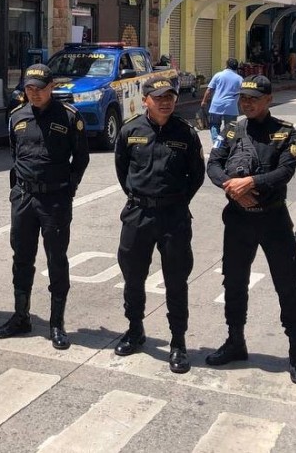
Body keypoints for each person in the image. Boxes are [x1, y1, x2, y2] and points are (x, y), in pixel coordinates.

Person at [205, 75, 296, 385]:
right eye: (243, 98)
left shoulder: (285, 132)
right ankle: (235, 341)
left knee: (287, 285)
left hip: (273, 219)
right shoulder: (232, 129)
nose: (246, 103)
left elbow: (285, 171)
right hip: (238, 219)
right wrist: (230, 186)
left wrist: (252, 182)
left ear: (269, 100)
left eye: (254, 98)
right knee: (234, 283)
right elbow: (214, 163)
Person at [0, 64, 90, 350]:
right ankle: (21, 316)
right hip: (24, 198)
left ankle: (56, 323)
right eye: (29, 89)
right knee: (21, 258)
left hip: (55, 200)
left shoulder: (70, 117)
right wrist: (16, 192)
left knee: (56, 260)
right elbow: (15, 155)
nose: (34, 94)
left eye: (40, 88)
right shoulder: (16, 116)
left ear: (51, 87)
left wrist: (68, 190)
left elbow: (81, 159)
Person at [112, 76, 205, 370]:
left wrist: (175, 200)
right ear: (145, 100)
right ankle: (135, 330)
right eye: (159, 97)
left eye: (170, 97)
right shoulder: (130, 131)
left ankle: (178, 342)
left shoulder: (186, 133)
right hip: (138, 215)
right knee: (133, 277)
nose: (165, 102)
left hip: (173, 216)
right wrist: (140, 197)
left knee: (176, 281)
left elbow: (197, 175)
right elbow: (122, 170)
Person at [201, 58, 243, 142]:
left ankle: (217, 144)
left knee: (214, 125)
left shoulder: (218, 75)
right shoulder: (240, 79)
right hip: (231, 106)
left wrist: (204, 101)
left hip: (216, 106)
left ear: (226, 66)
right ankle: (228, 146)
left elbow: (209, 90)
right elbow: (243, 94)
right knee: (231, 128)